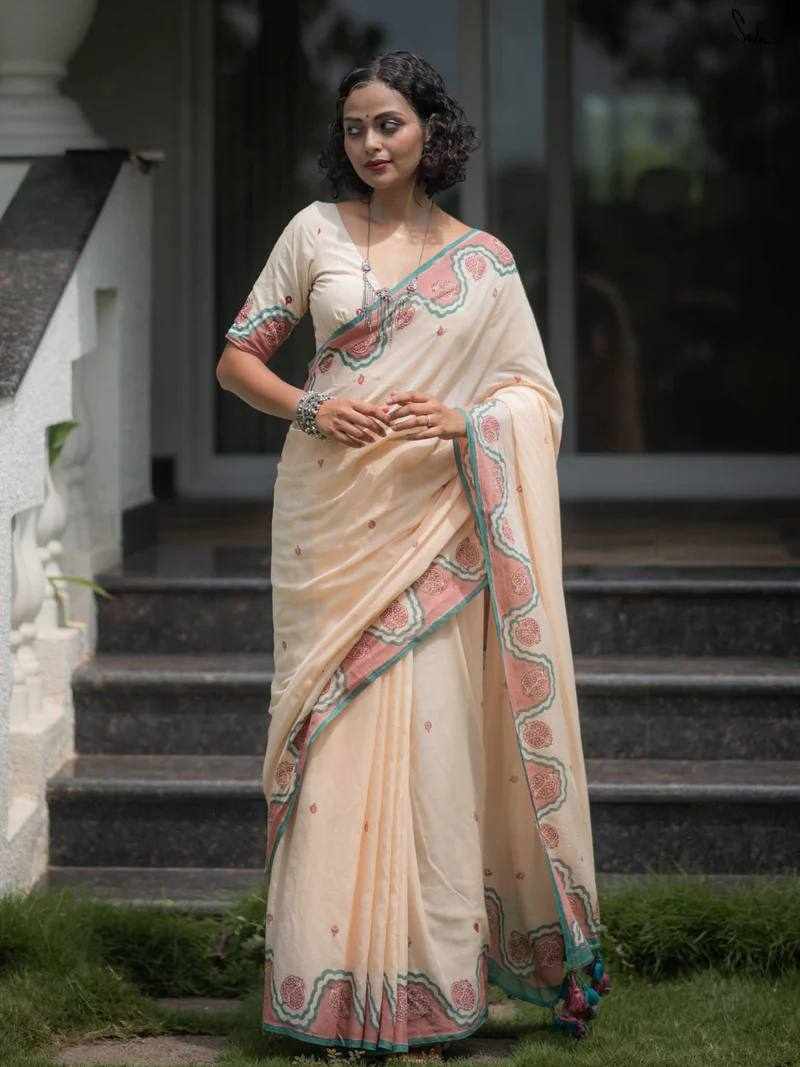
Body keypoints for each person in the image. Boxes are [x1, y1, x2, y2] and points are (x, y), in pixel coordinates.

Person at [216, 50, 610, 1061]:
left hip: (435, 527)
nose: (370, 143)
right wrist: (312, 406)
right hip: (331, 525)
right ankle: (330, 993)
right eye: (354, 127)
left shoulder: (482, 264)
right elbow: (237, 360)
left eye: (387, 123)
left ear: (431, 131)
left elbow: (533, 400)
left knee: (431, 756)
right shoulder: (314, 232)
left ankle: (426, 995)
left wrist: (469, 420)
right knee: (336, 745)